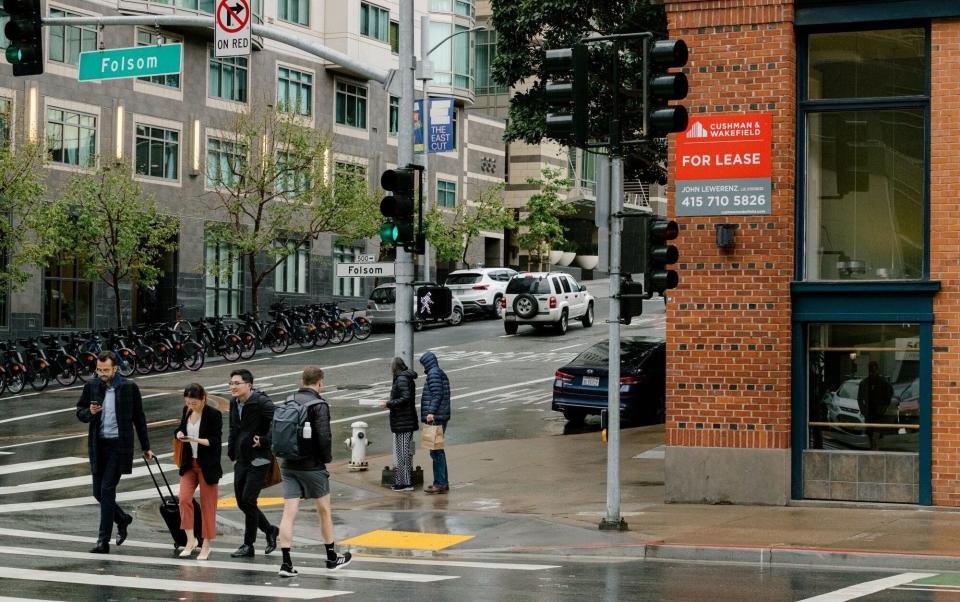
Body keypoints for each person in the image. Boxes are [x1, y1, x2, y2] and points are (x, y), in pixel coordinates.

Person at [277, 367, 352, 578]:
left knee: (289, 513)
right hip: (311, 465)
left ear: (302, 380)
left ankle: (286, 563)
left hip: (288, 463)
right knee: (324, 511)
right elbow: (324, 436)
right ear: (320, 382)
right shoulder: (319, 405)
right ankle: (330, 557)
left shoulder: (289, 399)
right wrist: (325, 459)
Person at [76, 351, 153, 554]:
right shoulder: (91, 386)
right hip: (98, 445)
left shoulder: (128, 387)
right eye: (99, 370)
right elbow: (80, 412)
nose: (101, 373)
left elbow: (139, 418)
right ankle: (123, 518)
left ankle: (103, 541)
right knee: (97, 492)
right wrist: (89, 413)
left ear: (116, 368)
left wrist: (146, 447)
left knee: (107, 490)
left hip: (119, 446)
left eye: (106, 370)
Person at [227, 368, 279, 557]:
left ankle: (248, 545)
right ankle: (270, 530)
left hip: (259, 458)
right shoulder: (234, 403)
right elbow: (233, 428)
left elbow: (279, 419)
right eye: (231, 383)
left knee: (249, 499)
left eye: (237, 383)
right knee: (242, 502)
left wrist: (265, 440)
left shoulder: (261, 401)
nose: (233, 387)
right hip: (241, 458)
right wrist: (232, 452)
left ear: (249, 385)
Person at [175, 383, 223, 561]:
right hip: (189, 464)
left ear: (203, 399)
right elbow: (180, 429)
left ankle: (206, 545)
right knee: (184, 499)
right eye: (188, 402)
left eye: (194, 403)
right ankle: (190, 540)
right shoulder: (186, 411)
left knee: (208, 506)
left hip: (207, 466)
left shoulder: (213, 415)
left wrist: (194, 439)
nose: (191, 405)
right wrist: (179, 434)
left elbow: (215, 441)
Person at [381, 357, 418, 492]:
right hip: (403, 421)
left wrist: (389, 403)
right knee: (402, 453)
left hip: (404, 421)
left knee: (402, 453)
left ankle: (405, 483)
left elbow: (405, 398)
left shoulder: (401, 379)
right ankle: (402, 481)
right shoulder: (403, 378)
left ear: (395, 367)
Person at [419, 351, 451, 494]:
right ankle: (442, 482)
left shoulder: (433, 374)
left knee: (436, 451)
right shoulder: (438, 372)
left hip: (435, 418)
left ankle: (440, 482)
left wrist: (430, 412)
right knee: (437, 450)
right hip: (439, 416)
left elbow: (437, 394)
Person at [858, 361, 894, 450]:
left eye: (874, 371)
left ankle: (876, 449)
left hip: (879, 414)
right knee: (871, 435)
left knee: (876, 436)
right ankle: (873, 450)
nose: (872, 373)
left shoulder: (883, 383)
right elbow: (859, 398)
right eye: (871, 371)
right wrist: (863, 411)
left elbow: (888, 397)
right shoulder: (864, 383)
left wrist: (883, 409)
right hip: (869, 413)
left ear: (877, 370)